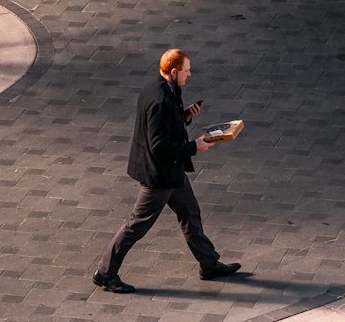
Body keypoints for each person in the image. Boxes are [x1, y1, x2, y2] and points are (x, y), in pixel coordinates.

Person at [93, 48, 241, 294]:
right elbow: (159, 145)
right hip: (160, 176)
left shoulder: (162, 89)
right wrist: (195, 146)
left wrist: (184, 116)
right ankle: (105, 273)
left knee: (190, 212)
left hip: (171, 173)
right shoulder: (160, 100)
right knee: (137, 224)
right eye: (186, 70)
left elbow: (163, 127)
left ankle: (209, 264)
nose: (189, 74)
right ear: (173, 71)